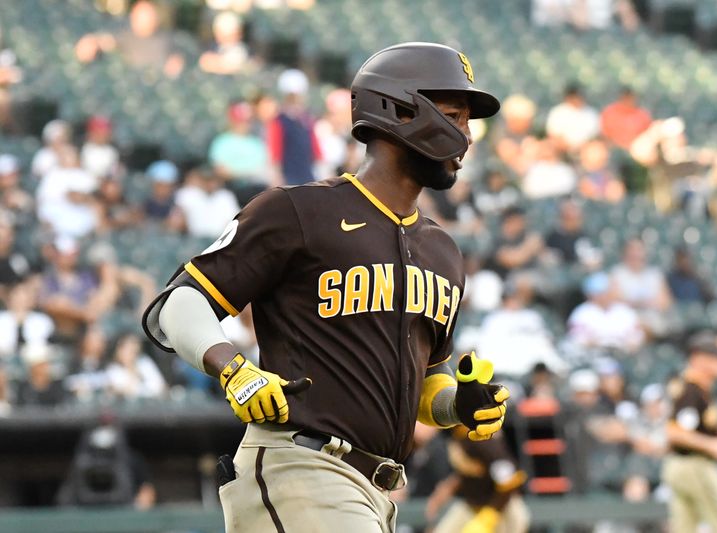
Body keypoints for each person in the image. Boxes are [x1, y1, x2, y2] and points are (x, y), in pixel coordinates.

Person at [142, 42, 509, 533]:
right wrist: (233, 368)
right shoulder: (299, 211)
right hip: (301, 466)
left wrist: (456, 406)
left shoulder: (443, 251)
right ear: (400, 111)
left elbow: (426, 381)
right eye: (454, 115)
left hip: (375, 493)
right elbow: (179, 303)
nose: (466, 135)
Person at [661, 332, 717, 533]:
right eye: (716, 357)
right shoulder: (691, 389)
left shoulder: (698, 388)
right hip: (695, 465)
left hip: (681, 464)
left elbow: (689, 427)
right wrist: (712, 444)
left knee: (685, 527)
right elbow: (675, 433)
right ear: (698, 358)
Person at [427, 427, 529, 533]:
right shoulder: (458, 435)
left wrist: (489, 515)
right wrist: (449, 487)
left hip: (504, 508)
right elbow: (473, 470)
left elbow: (510, 480)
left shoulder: (481, 437)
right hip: (473, 505)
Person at [74, 0, 184, 78]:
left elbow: (178, 58)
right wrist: (94, 41)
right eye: (139, 15)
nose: (142, 19)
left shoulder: (165, 39)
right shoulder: (125, 35)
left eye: (147, 15)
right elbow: (107, 41)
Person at [267, 69, 322, 186]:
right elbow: (275, 152)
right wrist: (276, 176)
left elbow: (315, 150)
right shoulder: (279, 120)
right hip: (288, 176)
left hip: (307, 175)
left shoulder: (307, 120)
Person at [208, 101, 270, 198]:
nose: (245, 124)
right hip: (233, 190)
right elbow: (220, 171)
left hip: (258, 190)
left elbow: (267, 168)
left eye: (248, 120)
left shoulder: (256, 143)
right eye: (241, 120)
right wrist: (247, 173)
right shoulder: (222, 142)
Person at [174, 166, 240, 239]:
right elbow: (178, 218)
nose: (210, 183)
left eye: (213, 180)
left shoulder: (226, 196)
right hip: (194, 239)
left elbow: (235, 220)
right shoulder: (188, 194)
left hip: (219, 239)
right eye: (206, 180)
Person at [106, 334, 167, 400]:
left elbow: (161, 387)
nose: (133, 354)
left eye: (135, 351)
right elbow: (122, 391)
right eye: (130, 350)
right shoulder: (113, 369)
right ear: (120, 351)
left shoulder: (144, 362)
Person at [545, 83, 599, 153]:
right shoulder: (558, 112)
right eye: (575, 96)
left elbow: (594, 136)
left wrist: (582, 147)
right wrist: (567, 146)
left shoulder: (591, 113)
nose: (577, 99)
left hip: (585, 151)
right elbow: (553, 135)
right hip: (562, 149)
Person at [80, 115, 120, 180]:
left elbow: (112, 172)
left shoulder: (111, 151)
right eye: (99, 133)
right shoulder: (83, 148)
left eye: (105, 134)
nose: (102, 136)